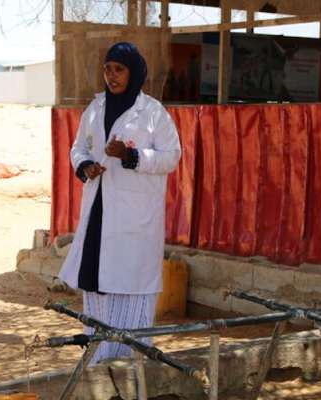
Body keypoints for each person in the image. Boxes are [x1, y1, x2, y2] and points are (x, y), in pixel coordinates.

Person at [57, 42, 182, 363]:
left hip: (134, 215)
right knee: (97, 281)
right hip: (99, 207)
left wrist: (132, 155)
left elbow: (171, 158)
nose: (111, 76)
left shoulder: (153, 112)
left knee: (131, 283)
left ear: (134, 72)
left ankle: (132, 360)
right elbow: (77, 148)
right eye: (107, 69)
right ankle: (98, 359)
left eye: (119, 69)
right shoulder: (94, 108)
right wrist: (85, 165)